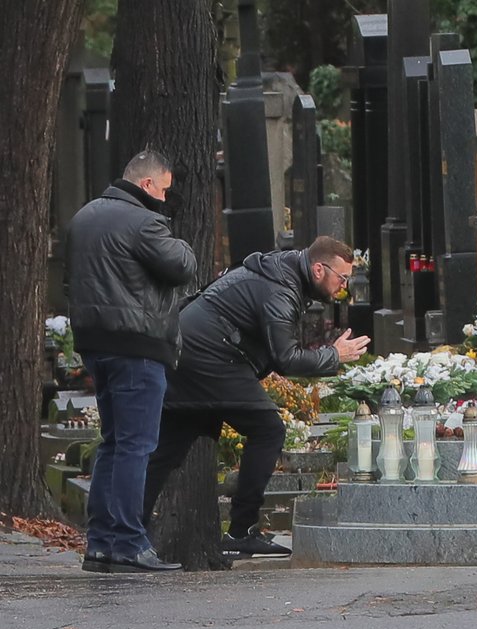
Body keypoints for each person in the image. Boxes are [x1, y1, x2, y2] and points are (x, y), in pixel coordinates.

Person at [143, 236, 370, 557]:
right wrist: (333, 355)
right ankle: (241, 530)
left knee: (169, 448)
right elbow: (286, 358)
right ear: (319, 269)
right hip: (209, 356)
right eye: (342, 278)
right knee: (268, 429)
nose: (343, 287)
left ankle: (125, 534)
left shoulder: (284, 274)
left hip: (191, 353)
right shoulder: (281, 289)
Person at [65, 150, 198, 573]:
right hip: (137, 346)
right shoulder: (145, 222)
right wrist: (170, 226)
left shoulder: (84, 216)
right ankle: (128, 542)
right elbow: (181, 266)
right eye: (163, 189)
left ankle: (100, 543)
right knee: (137, 446)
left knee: (113, 442)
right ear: (146, 185)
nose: (165, 197)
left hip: (96, 343)